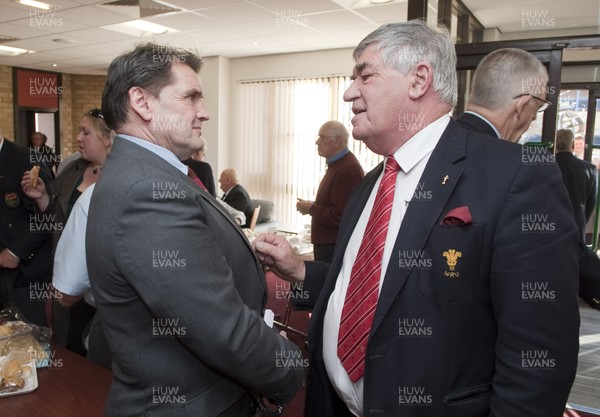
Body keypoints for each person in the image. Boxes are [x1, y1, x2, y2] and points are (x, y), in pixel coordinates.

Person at [254, 20, 580, 417]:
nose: (349, 91)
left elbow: (537, 356)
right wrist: (302, 272)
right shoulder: (370, 185)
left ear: (418, 79)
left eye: (365, 74)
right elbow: (373, 290)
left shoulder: (515, 176)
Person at [86, 42, 302, 416]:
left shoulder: (151, 174)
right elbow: (220, 330)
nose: (205, 113)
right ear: (142, 102)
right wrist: (290, 364)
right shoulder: (148, 191)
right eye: (191, 97)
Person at [456, 48, 600, 310]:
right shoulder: (526, 168)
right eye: (535, 113)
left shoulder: (426, 149)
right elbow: (564, 253)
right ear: (522, 107)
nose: (532, 122)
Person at [21, 109, 113, 357]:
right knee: (69, 355)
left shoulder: (121, 178)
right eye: (78, 131)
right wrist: (42, 197)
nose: (78, 138)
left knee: (99, 362)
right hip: (66, 288)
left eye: (86, 132)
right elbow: (57, 223)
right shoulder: (71, 170)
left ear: (107, 138)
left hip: (103, 292)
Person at [0, 135, 52, 326]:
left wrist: (16, 252)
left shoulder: (26, 158)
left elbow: (48, 215)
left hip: (26, 276)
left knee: (32, 345)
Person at [296, 121, 364, 262]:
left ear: (337, 141)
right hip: (330, 243)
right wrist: (312, 206)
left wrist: (311, 208)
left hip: (333, 246)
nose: (317, 142)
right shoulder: (339, 165)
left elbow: (340, 216)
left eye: (322, 137)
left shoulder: (345, 170)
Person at [456, 48, 550, 143]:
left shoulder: (442, 135)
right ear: (522, 105)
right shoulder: (510, 156)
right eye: (538, 107)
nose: (534, 117)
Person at [555, 128, 598, 239]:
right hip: (577, 227)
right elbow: (591, 203)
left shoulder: (545, 167)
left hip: (550, 228)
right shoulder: (590, 169)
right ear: (573, 145)